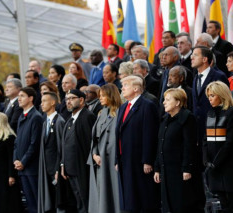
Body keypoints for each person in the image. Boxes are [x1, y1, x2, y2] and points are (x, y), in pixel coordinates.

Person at [154, 88, 205, 213]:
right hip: (166, 170)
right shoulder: (165, 119)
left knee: (183, 204)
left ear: (177, 102)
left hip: (180, 170)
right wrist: (157, 168)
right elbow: (160, 145)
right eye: (164, 100)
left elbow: (190, 145)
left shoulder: (187, 118)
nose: (164, 103)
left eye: (167, 100)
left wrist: (187, 168)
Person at [115, 75, 160, 212]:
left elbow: (150, 134)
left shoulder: (147, 106)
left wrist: (147, 160)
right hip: (125, 159)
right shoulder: (123, 107)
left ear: (136, 88)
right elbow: (119, 135)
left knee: (143, 197)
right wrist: (117, 159)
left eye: (126, 85)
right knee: (129, 197)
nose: (122, 88)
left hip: (140, 160)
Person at [203, 82, 233, 213]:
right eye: (208, 96)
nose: (210, 99)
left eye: (212, 95)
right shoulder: (209, 113)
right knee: (222, 200)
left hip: (227, 165)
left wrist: (216, 162)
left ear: (221, 95)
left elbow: (230, 142)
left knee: (232, 200)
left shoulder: (232, 113)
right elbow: (205, 139)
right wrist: (206, 160)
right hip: (213, 166)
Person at [38, 91, 76, 213]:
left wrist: (58, 169)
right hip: (47, 168)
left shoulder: (59, 121)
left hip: (55, 169)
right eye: (41, 101)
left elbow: (61, 147)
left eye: (44, 101)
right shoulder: (45, 123)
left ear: (53, 102)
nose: (41, 104)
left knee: (60, 202)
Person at [60, 90, 96, 213]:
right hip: (71, 169)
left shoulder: (87, 116)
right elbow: (65, 145)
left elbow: (89, 145)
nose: (68, 102)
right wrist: (63, 164)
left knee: (85, 202)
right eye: (66, 99)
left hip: (82, 169)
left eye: (71, 98)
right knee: (78, 202)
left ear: (81, 100)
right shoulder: (70, 119)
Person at [88, 84, 122, 213]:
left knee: (112, 193)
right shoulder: (101, 113)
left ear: (111, 95)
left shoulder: (120, 112)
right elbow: (95, 137)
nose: (100, 98)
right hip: (99, 159)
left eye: (103, 95)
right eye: (99, 96)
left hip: (111, 159)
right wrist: (94, 154)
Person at [191, 46, 229, 150]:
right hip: (198, 131)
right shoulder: (195, 78)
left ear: (205, 59)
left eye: (195, 55)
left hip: (214, 129)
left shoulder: (218, 76)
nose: (191, 57)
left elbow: (224, 102)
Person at [13, 87, 43, 213]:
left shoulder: (36, 117)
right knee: (29, 203)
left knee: (36, 202)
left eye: (22, 96)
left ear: (31, 98)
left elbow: (34, 144)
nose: (19, 99)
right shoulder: (21, 116)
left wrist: (23, 162)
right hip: (22, 168)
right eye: (18, 96)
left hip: (31, 167)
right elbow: (17, 141)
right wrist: (15, 160)